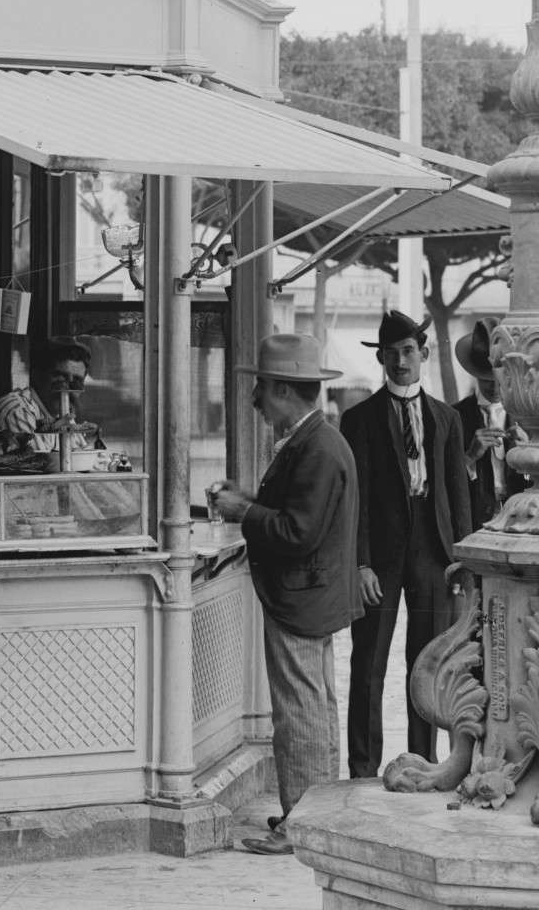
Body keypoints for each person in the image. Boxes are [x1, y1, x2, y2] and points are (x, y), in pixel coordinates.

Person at [213, 333, 361, 855]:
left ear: (280, 389)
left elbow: (298, 532)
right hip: (313, 597)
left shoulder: (314, 448)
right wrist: (252, 501)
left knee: (298, 714)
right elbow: (303, 515)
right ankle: (316, 817)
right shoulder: (317, 441)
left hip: (300, 598)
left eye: (260, 387)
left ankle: (301, 824)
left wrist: (242, 512)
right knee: (315, 708)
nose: (254, 397)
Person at [340, 310, 472, 780]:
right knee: (368, 663)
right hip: (379, 557)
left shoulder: (447, 419)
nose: (400, 362)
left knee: (427, 663)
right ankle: (361, 770)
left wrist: (461, 563)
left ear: (424, 354)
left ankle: (423, 763)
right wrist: (360, 564)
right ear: (381, 358)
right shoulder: (358, 420)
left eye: (408, 352)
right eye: (391, 354)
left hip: (433, 555)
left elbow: (458, 495)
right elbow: (353, 501)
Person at [453, 317, 528, 529]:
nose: (494, 387)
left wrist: (525, 452)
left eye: (499, 379)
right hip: (473, 521)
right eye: (486, 379)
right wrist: (469, 457)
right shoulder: (453, 416)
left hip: (520, 520)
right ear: (473, 374)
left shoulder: (526, 416)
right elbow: (445, 482)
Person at [0, 336, 97, 457]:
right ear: (37, 376)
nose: (68, 388)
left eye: (77, 381)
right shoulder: (19, 411)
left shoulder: (62, 416)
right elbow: (39, 468)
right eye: (60, 378)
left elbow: (81, 458)